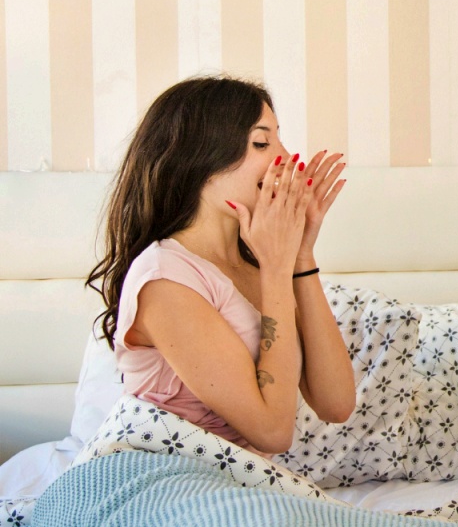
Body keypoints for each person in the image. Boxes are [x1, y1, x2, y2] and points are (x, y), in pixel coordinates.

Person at [87, 76, 356, 456]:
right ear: (203, 160)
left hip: (242, 486)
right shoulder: (165, 278)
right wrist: (278, 271)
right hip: (166, 482)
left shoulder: (261, 261)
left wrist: (300, 255)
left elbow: (336, 403)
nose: (284, 156)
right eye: (261, 142)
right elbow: (273, 432)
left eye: (278, 139)